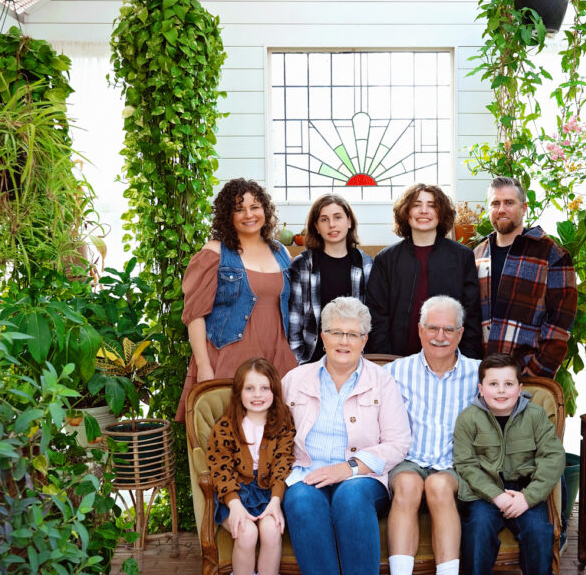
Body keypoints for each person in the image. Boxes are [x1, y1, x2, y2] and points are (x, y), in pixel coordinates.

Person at [280, 297, 412, 575]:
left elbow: (398, 442)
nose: (344, 340)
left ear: (365, 340)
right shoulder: (295, 379)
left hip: (363, 476)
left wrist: (349, 466)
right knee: (302, 501)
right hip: (306, 471)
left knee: (351, 499)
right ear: (322, 336)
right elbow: (276, 436)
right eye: (336, 331)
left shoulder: (382, 382)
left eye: (352, 334)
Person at [379, 296, 479, 575]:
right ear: (420, 330)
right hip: (408, 459)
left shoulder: (478, 373)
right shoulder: (395, 372)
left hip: (454, 466)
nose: (440, 336)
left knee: (437, 486)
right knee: (406, 484)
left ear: (460, 333)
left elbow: (513, 402)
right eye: (432, 328)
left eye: (448, 329)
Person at [453, 353, 565, 575]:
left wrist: (528, 497)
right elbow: (465, 464)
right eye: (493, 384)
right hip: (485, 493)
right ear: (481, 388)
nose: (501, 391)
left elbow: (553, 458)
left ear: (519, 388)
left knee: (539, 530)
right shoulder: (469, 418)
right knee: (477, 528)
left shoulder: (535, 415)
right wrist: (496, 495)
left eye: (508, 384)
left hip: (525, 491)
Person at [177, 179, 297, 422]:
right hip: (229, 359)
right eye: (239, 209)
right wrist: (204, 367)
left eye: (255, 207)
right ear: (227, 216)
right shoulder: (215, 252)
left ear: (265, 210)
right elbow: (194, 315)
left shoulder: (281, 252)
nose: (248, 215)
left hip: (277, 357)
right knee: (229, 436)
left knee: (277, 437)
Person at [206, 358, 296, 575]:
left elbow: (284, 464)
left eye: (264, 388)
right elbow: (219, 467)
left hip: (270, 492)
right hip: (235, 493)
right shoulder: (227, 426)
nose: (257, 395)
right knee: (245, 533)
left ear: (274, 391)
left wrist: (276, 502)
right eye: (250, 388)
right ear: (239, 393)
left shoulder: (282, 423)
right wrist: (233, 504)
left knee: (271, 529)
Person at [472, 176, 576, 378]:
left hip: (527, 377)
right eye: (495, 203)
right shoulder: (476, 255)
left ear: (524, 207)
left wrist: (534, 373)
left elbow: (560, 324)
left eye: (509, 202)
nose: (501, 209)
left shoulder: (551, 255)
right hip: (480, 378)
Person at [366, 184, 481, 359]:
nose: (424, 211)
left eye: (432, 205)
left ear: (441, 212)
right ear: (406, 212)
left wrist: (468, 359)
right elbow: (376, 316)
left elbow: (471, 315)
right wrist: (384, 358)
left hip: (449, 361)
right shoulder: (386, 259)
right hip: (396, 359)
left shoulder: (462, 257)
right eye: (416, 205)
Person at [287, 194, 373, 364]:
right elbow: (294, 319)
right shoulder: (303, 265)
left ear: (349, 221)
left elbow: (370, 317)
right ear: (316, 227)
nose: (332, 225)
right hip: (312, 358)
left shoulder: (365, 265)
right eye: (324, 219)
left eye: (337, 217)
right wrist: (299, 360)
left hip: (354, 358)